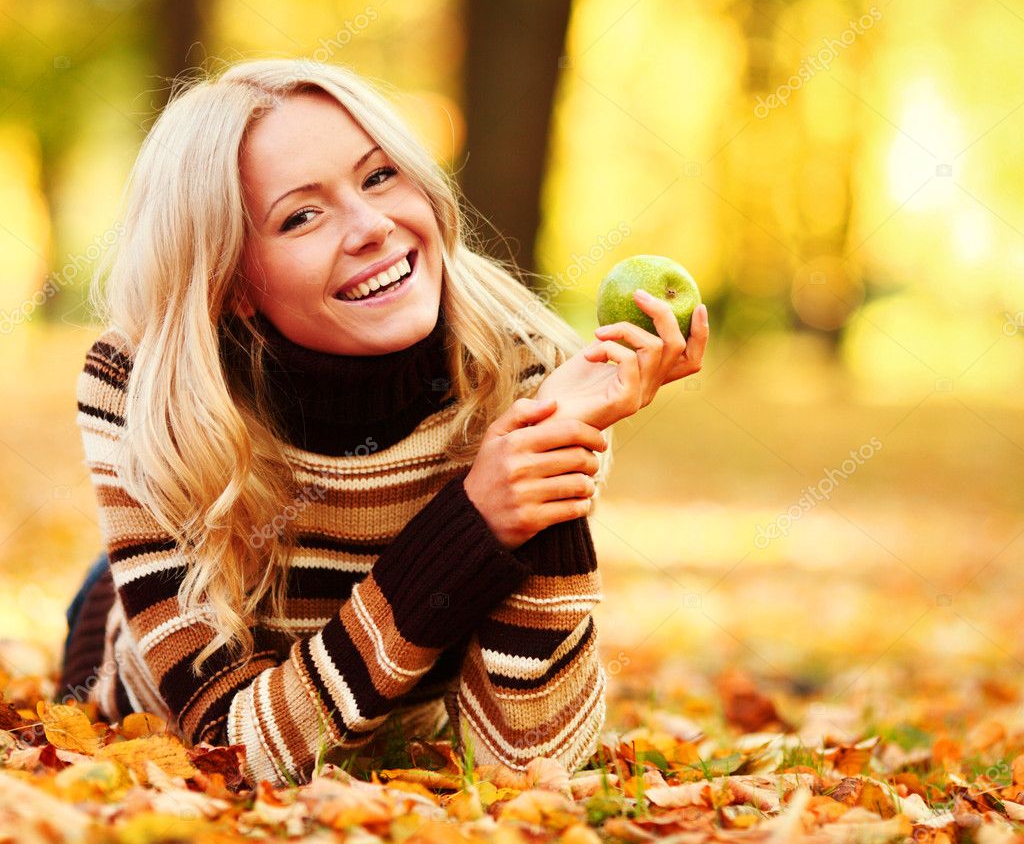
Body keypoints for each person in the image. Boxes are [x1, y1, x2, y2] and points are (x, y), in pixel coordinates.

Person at [57, 58, 709, 788]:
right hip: (142, 657)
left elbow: (531, 765)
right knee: (125, 599)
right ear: (233, 283)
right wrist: (469, 522)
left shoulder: (521, 366)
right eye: (301, 215)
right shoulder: (142, 384)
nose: (372, 226)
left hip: (378, 705)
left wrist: (551, 441)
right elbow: (231, 750)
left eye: (379, 177)